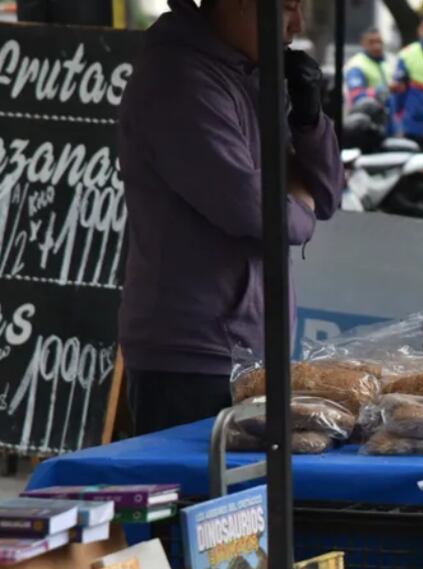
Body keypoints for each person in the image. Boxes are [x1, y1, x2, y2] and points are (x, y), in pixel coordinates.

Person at [117, 0, 344, 435]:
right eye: (288, 8)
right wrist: (302, 206)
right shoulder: (179, 81)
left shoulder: (253, 77)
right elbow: (255, 212)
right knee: (198, 477)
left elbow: (328, 194)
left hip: (253, 347)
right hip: (191, 355)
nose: (297, 25)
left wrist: (310, 120)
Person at [391, 15, 423, 151]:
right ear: (419, 31)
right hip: (415, 115)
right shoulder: (408, 53)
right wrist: (398, 114)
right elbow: (399, 87)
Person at [344, 28, 391, 109]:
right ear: (363, 44)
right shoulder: (357, 65)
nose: (377, 46)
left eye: (379, 41)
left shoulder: (387, 62)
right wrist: (379, 91)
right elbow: (356, 95)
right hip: (366, 114)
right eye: (371, 42)